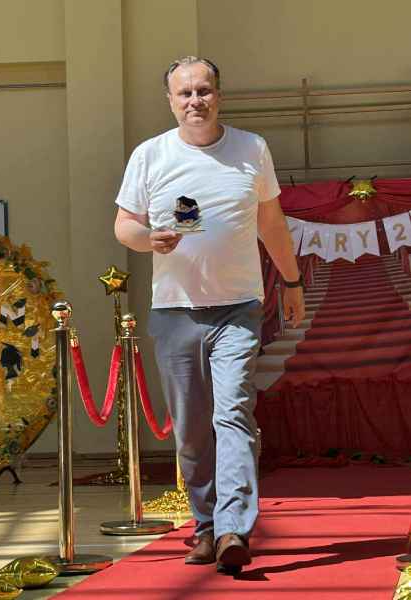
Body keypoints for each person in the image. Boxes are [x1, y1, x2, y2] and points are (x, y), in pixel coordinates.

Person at [114, 56, 305, 573]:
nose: (195, 101)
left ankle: (232, 529)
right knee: (192, 428)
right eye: (185, 93)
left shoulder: (251, 148)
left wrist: (291, 281)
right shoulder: (150, 154)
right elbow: (124, 225)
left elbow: (272, 223)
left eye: (204, 90)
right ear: (170, 101)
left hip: (238, 308)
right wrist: (148, 238)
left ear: (219, 95)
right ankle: (204, 527)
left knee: (234, 412)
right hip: (175, 310)